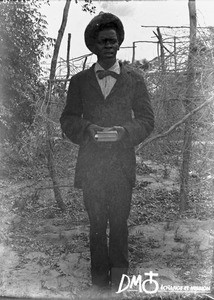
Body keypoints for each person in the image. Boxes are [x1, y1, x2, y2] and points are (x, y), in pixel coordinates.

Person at [60, 12, 154, 295]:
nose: (109, 46)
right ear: (94, 45)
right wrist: (87, 129)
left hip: (121, 165)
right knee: (97, 224)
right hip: (91, 166)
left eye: (113, 41)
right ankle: (99, 282)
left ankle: (120, 280)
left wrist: (125, 132)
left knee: (120, 224)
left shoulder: (135, 81)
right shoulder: (79, 82)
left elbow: (147, 121)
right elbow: (68, 120)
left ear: (119, 43)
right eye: (103, 42)